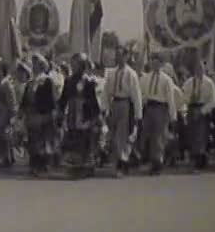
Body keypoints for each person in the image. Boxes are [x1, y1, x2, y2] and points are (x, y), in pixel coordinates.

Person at [58, 53, 102, 176]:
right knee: (72, 138)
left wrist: (96, 116)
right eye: (72, 63)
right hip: (72, 113)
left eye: (76, 64)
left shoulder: (88, 81)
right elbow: (63, 99)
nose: (73, 66)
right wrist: (60, 111)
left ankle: (87, 165)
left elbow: (93, 100)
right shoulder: (69, 81)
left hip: (84, 112)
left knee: (85, 138)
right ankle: (74, 165)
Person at [103, 46, 143, 178]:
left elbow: (136, 95)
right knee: (113, 134)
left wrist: (138, 114)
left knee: (122, 134)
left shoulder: (131, 74)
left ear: (126, 57)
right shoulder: (111, 73)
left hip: (125, 103)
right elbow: (106, 92)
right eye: (117, 55)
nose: (119, 58)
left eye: (121, 55)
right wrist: (105, 108)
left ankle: (123, 162)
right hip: (115, 103)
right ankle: (121, 159)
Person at [138, 53, 177, 175]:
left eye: (157, 62)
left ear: (161, 64)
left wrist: (173, 116)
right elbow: (141, 94)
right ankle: (150, 159)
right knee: (148, 134)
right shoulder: (145, 78)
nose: (154, 64)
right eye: (152, 62)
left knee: (159, 136)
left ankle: (158, 162)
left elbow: (170, 99)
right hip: (149, 107)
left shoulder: (166, 80)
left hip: (161, 107)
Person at [21, 53, 57, 177]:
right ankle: (34, 164)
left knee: (42, 140)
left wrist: (49, 114)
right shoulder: (30, 82)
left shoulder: (47, 81)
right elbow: (25, 99)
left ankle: (43, 165)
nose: (34, 66)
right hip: (31, 113)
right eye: (33, 63)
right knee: (32, 140)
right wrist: (22, 112)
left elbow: (51, 100)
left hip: (43, 114)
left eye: (36, 63)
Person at [181, 60, 215, 173]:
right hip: (191, 109)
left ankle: (198, 162)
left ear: (204, 69)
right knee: (191, 136)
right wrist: (185, 112)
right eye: (197, 68)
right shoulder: (188, 83)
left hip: (203, 110)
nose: (199, 70)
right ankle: (195, 159)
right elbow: (184, 99)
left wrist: (202, 111)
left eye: (201, 68)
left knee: (200, 137)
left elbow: (213, 101)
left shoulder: (209, 83)